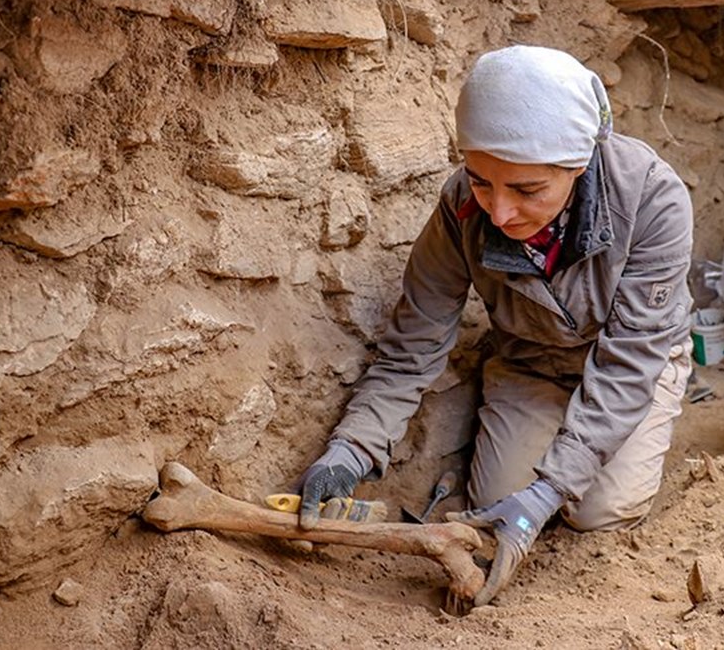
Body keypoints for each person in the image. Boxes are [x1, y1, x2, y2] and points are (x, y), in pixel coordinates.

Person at [296, 45, 694, 605]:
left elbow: (629, 362)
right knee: (498, 498)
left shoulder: (652, 199)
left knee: (595, 512)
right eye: (483, 181)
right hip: (531, 360)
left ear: (578, 165)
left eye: (527, 190)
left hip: (632, 366)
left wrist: (549, 492)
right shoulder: (462, 205)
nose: (500, 213)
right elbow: (414, 345)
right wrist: (349, 452)